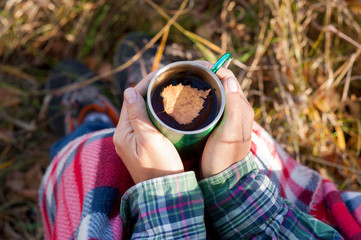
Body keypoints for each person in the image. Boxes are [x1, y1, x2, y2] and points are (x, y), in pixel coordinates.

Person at [39, 33, 361, 239]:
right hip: (271, 207)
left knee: (92, 156)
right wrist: (231, 183)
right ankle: (152, 86)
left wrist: (162, 187)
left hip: (160, 220)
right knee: (256, 146)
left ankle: (89, 120)